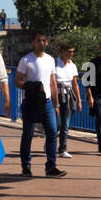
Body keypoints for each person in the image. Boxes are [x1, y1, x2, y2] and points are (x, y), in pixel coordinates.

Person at [14, 31, 65, 178]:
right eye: (38, 40)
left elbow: (53, 83)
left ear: (47, 42)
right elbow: (17, 81)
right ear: (33, 42)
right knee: (28, 134)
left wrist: (56, 104)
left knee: (52, 132)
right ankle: (26, 165)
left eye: (44, 40)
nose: (41, 43)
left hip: (47, 102)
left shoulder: (50, 60)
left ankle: (51, 167)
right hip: (31, 103)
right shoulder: (26, 60)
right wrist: (31, 87)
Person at [55, 41, 82, 158]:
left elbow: (75, 84)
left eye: (72, 52)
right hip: (56, 95)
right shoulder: (54, 63)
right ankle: (49, 144)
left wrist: (79, 100)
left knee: (65, 124)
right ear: (62, 52)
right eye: (69, 52)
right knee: (56, 124)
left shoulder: (72, 65)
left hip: (68, 95)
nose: (71, 54)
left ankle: (62, 149)